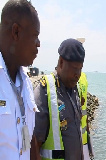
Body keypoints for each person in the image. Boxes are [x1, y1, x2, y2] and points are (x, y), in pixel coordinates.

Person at [31, 38, 85, 160]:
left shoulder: (74, 90)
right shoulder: (44, 91)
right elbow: (34, 144)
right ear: (61, 62)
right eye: (74, 68)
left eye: (80, 69)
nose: (78, 74)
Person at [0, 0, 40, 160]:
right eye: (35, 36)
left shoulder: (26, 83)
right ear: (16, 32)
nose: (39, 44)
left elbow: (29, 140)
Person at [78, 72, 94, 160]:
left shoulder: (83, 77)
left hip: (83, 139)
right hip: (72, 142)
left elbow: (84, 109)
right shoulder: (65, 78)